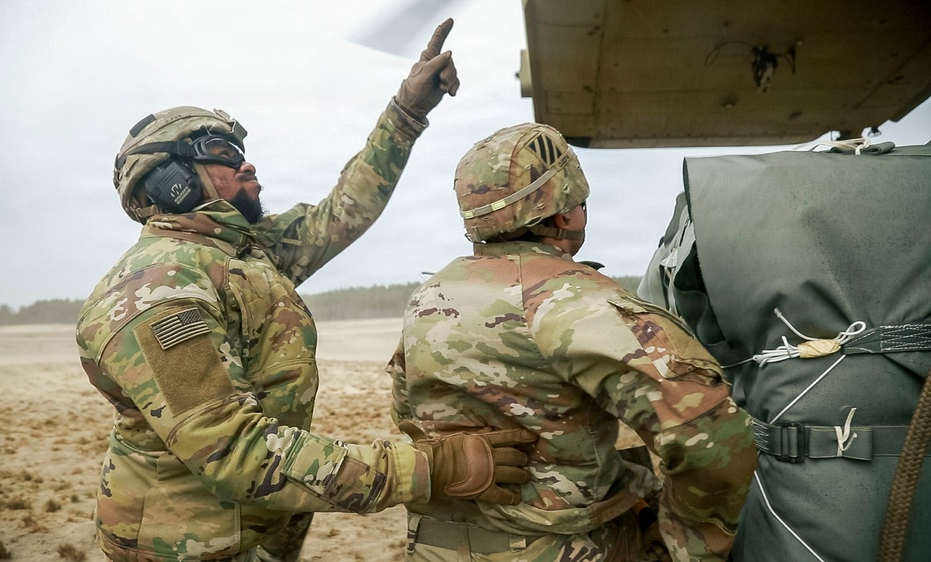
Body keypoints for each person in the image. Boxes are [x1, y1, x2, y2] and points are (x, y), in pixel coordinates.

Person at [76, 19, 535, 562]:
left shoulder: (247, 253)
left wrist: (407, 114)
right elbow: (235, 453)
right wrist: (431, 469)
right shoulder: (156, 292)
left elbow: (343, 211)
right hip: (187, 547)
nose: (246, 163)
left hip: (260, 531)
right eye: (222, 152)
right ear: (169, 179)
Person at [386, 122, 759, 561]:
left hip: (435, 547)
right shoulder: (579, 299)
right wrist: (685, 542)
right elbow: (712, 439)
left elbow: (405, 409)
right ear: (566, 212)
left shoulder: (431, 296)